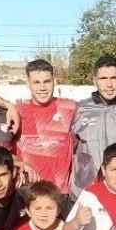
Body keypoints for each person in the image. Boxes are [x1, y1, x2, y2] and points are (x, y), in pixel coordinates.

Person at [69, 54, 116, 201]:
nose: (109, 84)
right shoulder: (80, 109)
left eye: (114, 78)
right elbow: (69, 147)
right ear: (95, 80)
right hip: (85, 192)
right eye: (103, 78)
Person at [15, 59, 77, 210]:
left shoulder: (69, 107)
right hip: (28, 192)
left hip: (60, 193)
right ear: (28, 83)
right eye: (36, 82)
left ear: (54, 81)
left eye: (47, 81)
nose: (42, 87)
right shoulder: (18, 110)